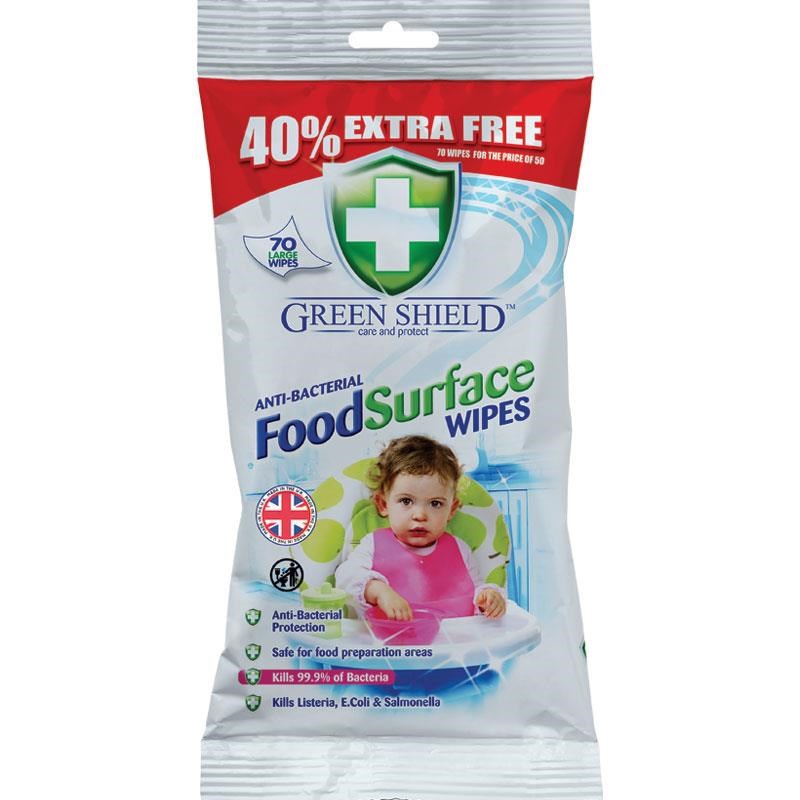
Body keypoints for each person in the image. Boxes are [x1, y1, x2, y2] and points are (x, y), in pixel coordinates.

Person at [335, 435, 507, 621]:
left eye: (435, 503)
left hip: (454, 637)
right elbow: (346, 578)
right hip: (390, 637)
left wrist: (488, 597)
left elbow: (474, 592)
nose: (420, 515)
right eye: (406, 501)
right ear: (383, 504)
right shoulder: (372, 545)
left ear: (451, 510)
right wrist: (378, 591)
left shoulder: (459, 549)